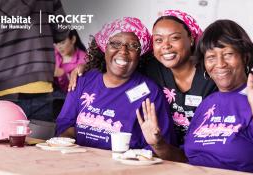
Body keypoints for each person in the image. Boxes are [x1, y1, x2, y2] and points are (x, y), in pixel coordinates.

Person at [137, 19, 253, 174]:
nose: (220, 63)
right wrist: (158, 144)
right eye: (211, 57)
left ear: (245, 57)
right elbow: (187, 159)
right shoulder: (208, 103)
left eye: (228, 54)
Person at [67, 10, 217, 146]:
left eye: (175, 38)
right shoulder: (152, 67)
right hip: (166, 147)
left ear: (191, 39)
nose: (166, 46)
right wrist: (86, 68)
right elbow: (121, 63)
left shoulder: (210, 73)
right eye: (158, 40)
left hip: (200, 151)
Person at [55, 17, 175, 150]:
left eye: (133, 46)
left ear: (140, 54)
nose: (123, 51)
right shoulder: (83, 80)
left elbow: (159, 145)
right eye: (115, 44)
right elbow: (65, 124)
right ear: (103, 47)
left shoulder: (150, 92)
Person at [0, 0, 70, 121]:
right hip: (41, 86)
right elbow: (62, 31)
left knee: (2, 138)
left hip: (0, 89)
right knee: (39, 139)